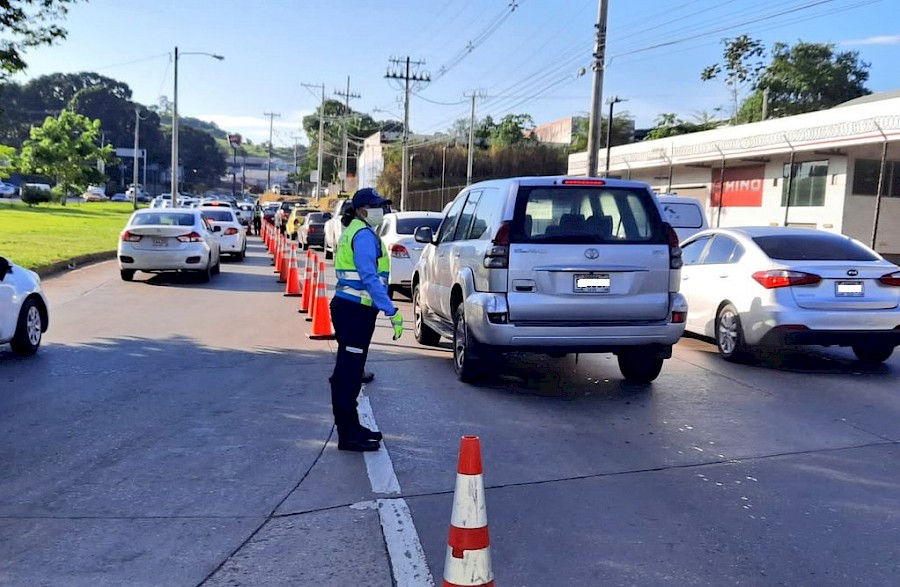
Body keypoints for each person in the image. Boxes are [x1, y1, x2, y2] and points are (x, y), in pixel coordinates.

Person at [330, 187, 404, 452]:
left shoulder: (361, 231)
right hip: (354, 311)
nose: (381, 210)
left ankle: (353, 426)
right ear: (362, 210)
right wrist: (391, 310)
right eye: (376, 206)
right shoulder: (362, 234)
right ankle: (348, 434)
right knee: (348, 375)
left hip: (355, 310)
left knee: (351, 372)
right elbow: (369, 277)